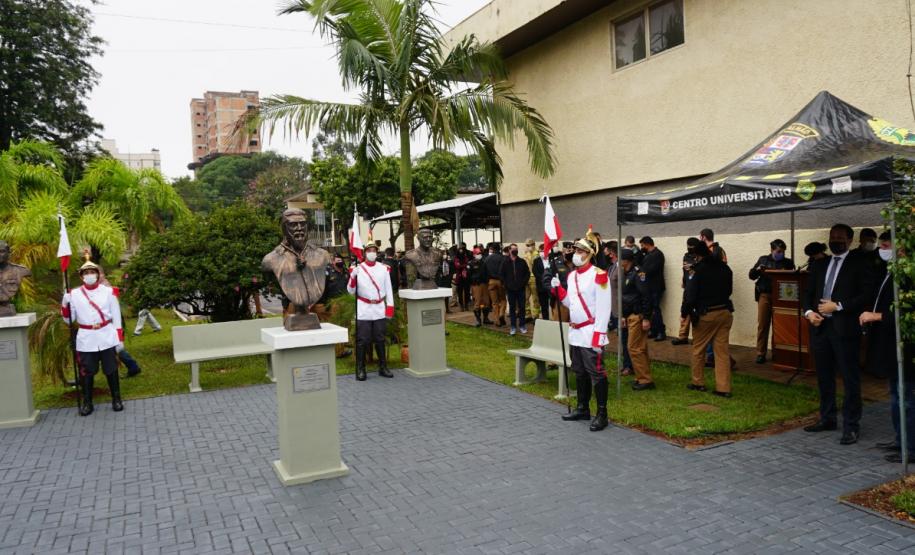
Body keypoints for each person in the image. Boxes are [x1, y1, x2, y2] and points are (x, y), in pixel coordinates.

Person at [802, 223, 875, 445]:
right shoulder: (820, 264)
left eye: (841, 238)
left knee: (850, 378)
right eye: (833, 237)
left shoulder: (860, 263)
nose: (836, 241)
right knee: (824, 377)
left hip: (845, 329)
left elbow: (866, 295)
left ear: (850, 240)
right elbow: (808, 293)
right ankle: (828, 417)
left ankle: (851, 426)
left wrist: (839, 306)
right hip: (821, 328)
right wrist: (808, 312)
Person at [551, 231, 613, 431]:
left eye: (581, 250)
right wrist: (558, 290)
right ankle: (582, 407)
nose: (576, 253)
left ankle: (602, 413)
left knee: (597, 373)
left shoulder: (599, 275)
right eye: (576, 249)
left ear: (590, 254)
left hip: (590, 333)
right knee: (579, 372)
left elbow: (604, 308)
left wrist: (599, 336)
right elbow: (571, 303)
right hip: (575, 332)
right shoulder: (571, 275)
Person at [860, 232, 914, 463]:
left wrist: (877, 316)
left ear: (902, 248)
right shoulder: (890, 270)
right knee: (896, 394)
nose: (882, 248)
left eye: (887, 244)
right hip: (890, 346)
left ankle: (910, 447)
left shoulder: (908, 275)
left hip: (906, 348)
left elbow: (909, 314)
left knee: (906, 397)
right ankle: (900, 440)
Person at [61, 260, 126, 416]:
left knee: (111, 369)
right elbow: (69, 319)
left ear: (97, 274)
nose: (89, 275)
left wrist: (119, 339)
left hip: (106, 335)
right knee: (86, 372)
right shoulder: (74, 294)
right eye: (86, 273)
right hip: (86, 337)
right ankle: (87, 402)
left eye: (92, 272)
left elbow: (116, 315)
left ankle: (116, 399)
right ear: (81, 276)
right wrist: (65, 303)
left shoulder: (108, 292)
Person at [682, 242, 734, 397]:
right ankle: (723, 388)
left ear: (697, 255)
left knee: (698, 349)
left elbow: (690, 296)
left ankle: (698, 382)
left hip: (706, 314)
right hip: (725, 312)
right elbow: (729, 290)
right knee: (722, 352)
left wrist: (684, 313)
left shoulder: (697, 271)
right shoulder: (725, 268)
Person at [347, 243, 395, 381]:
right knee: (362, 340)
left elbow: (389, 289)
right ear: (364, 253)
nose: (372, 253)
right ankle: (361, 369)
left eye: (374, 250)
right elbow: (350, 291)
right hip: (364, 308)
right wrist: (352, 277)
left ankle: (382, 367)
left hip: (379, 308)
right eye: (369, 250)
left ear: (377, 252)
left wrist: (389, 306)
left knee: (380, 338)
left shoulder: (383, 269)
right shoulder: (358, 269)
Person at [748, 239, 795, 363]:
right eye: (778, 251)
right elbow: (751, 275)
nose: (781, 254)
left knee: (779, 325)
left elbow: (793, 279)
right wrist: (757, 269)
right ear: (772, 250)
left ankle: (777, 352)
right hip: (765, 295)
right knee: (763, 324)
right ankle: (760, 353)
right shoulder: (763, 260)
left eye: (783, 251)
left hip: (781, 297)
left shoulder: (788, 262)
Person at [620, 250, 654, 390]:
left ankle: (645, 380)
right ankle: (641, 376)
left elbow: (646, 295)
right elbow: (625, 296)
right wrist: (623, 315)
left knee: (634, 348)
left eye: (620, 259)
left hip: (637, 315)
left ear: (626, 260)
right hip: (629, 315)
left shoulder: (638, 273)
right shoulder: (627, 273)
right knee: (639, 348)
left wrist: (646, 317)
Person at [672, 238, 701, 346]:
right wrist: (684, 281)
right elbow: (684, 270)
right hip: (688, 286)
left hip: (697, 288)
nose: (689, 248)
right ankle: (682, 336)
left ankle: (696, 337)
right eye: (688, 246)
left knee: (694, 313)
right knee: (684, 310)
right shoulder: (686, 256)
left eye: (691, 246)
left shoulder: (700, 257)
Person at [638, 236, 666, 341]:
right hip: (648, 287)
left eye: (642, 245)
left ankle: (661, 332)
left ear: (647, 244)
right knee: (650, 309)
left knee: (655, 309)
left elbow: (650, 270)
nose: (642, 247)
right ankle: (654, 330)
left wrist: (642, 271)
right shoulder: (648, 254)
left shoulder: (658, 254)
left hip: (656, 287)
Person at [500, 243, 531, 335]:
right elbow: (501, 275)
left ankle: (522, 325)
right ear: (509, 250)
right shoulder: (505, 262)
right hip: (510, 290)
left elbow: (527, 273)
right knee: (512, 308)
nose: (515, 251)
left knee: (522, 308)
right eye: (513, 249)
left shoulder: (522, 261)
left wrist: (523, 283)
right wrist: (506, 285)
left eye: (516, 249)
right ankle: (513, 326)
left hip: (521, 289)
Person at [484, 243, 506, 327]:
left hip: (490, 282)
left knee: (494, 302)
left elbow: (484, 271)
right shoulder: (503, 258)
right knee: (503, 300)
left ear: (492, 249)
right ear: (499, 249)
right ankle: (501, 314)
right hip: (501, 281)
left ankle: (496, 320)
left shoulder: (487, 258)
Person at [468, 247, 491, 326]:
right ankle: (478, 320)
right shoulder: (471, 264)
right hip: (476, 285)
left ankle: (486, 318)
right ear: (474, 255)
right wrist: (473, 282)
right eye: (477, 254)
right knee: (478, 302)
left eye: (480, 253)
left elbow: (487, 273)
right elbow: (468, 275)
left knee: (486, 302)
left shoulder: (484, 263)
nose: (479, 255)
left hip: (484, 284)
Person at [523, 238, 540, 321]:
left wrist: (530, 254)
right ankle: (527, 315)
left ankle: (536, 316)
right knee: (525, 298)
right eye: (527, 245)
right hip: (526, 278)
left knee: (535, 298)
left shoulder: (537, 254)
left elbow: (534, 265)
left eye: (530, 245)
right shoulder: (526, 254)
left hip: (534, 278)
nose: (529, 247)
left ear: (534, 245)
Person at [532, 244, 551, 321]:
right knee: (544, 305)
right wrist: (544, 279)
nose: (542, 252)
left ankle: (555, 320)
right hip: (542, 286)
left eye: (543, 251)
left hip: (552, 286)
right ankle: (546, 320)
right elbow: (535, 272)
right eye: (540, 251)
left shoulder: (552, 259)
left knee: (554, 305)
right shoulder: (536, 261)